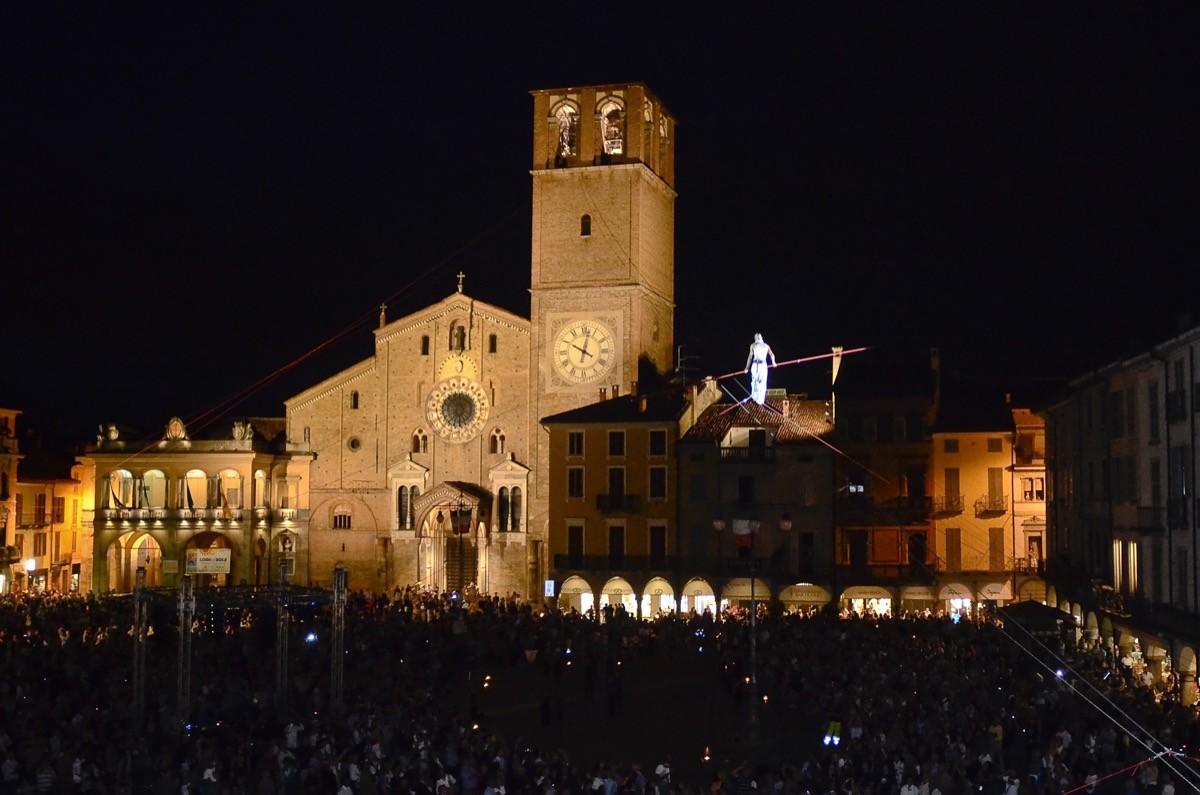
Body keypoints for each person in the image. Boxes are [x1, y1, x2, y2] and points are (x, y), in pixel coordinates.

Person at [745, 334, 777, 405]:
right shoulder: (753, 345)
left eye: (759, 336)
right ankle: (754, 396)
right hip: (755, 364)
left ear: (761, 337)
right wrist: (747, 367)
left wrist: (773, 362)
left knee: (762, 382)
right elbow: (750, 357)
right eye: (756, 336)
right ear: (755, 338)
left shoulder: (766, 346)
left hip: (762, 365)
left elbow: (772, 354)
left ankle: (760, 399)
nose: (757, 336)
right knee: (754, 381)